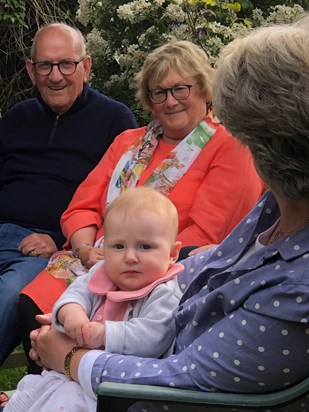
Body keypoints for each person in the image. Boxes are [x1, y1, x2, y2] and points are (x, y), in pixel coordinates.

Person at [14, 23, 309, 411]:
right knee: (33, 306)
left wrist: (69, 358)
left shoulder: (228, 150)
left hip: (156, 285)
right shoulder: (272, 207)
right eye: (159, 92)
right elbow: (81, 206)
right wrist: (89, 251)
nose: (169, 101)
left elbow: (200, 241)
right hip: (101, 266)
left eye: (180, 89)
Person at [0, 22, 137, 368]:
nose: (55, 76)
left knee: (6, 298)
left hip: (45, 248)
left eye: (66, 64)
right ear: (32, 70)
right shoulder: (17, 117)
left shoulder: (114, 120)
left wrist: (61, 240)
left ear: (86, 66)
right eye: (45, 65)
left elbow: (119, 200)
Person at [4, 187, 183, 411]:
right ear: (104, 248)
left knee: (66, 403)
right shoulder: (102, 274)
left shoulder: (164, 292)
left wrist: (104, 334)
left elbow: (153, 337)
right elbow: (73, 296)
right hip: (72, 373)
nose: (130, 257)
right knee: (31, 392)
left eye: (145, 247)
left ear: (172, 254)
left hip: (115, 387)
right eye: (118, 246)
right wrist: (72, 314)